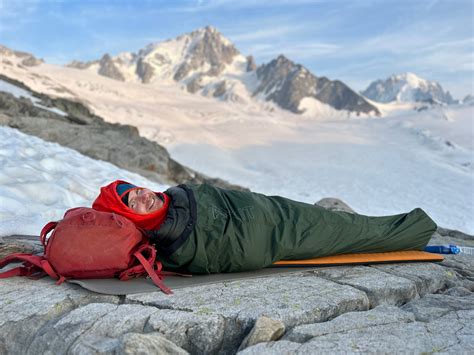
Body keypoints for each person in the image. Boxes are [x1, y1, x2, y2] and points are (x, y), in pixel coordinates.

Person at [92, 180, 438, 274]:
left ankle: (411, 228)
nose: (141, 196)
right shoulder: (164, 243)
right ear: (131, 219)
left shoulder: (175, 197)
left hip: (271, 210)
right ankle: (416, 230)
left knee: (346, 225)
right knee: (348, 232)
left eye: (134, 189)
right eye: (130, 203)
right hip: (275, 233)